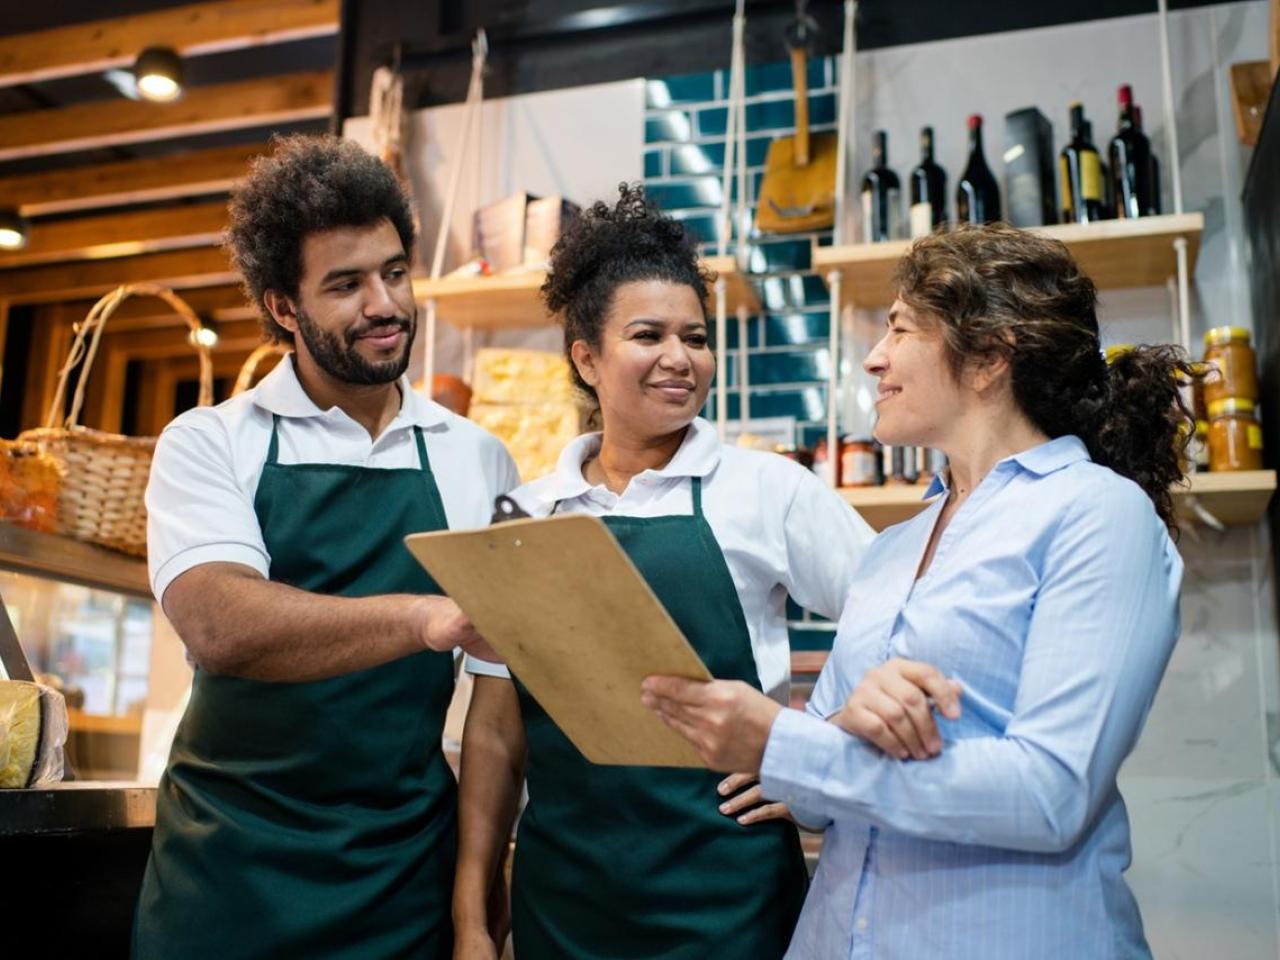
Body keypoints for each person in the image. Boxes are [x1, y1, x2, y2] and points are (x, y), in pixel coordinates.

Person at [643, 223, 1188, 959]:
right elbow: (810, 800)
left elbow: (1051, 793)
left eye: (899, 329)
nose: (874, 358)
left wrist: (785, 741)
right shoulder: (894, 549)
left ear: (990, 356)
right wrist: (836, 732)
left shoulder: (1096, 513)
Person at [452, 184, 875, 960]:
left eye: (697, 337)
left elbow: (902, 618)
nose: (681, 359)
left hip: (727, 896)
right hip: (566, 899)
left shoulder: (766, 490)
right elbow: (496, 730)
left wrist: (816, 747)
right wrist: (472, 914)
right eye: (648, 334)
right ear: (587, 357)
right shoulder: (527, 511)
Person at [133, 135, 519, 960]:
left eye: (393, 272)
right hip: (230, 871)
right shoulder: (210, 442)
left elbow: (497, 703)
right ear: (283, 307)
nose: (384, 303)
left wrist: (472, 916)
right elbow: (219, 623)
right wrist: (422, 618)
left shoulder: (475, 458)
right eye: (345, 285)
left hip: (400, 874)